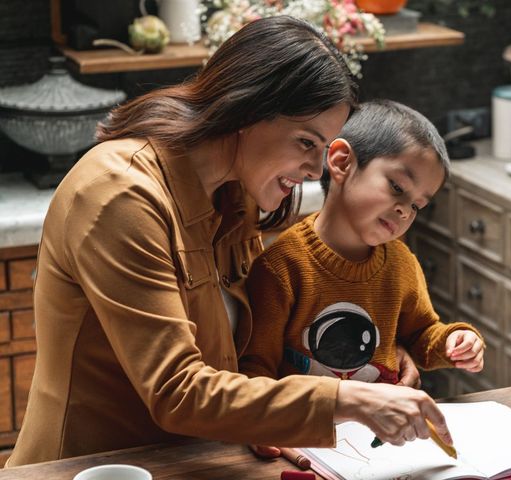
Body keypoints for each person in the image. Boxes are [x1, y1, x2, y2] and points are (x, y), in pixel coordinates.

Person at [5, 17, 454, 468]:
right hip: (96, 470)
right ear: (246, 110)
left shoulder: (233, 194)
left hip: (196, 461)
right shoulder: (118, 195)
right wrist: (349, 397)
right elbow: (178, 391)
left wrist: (377, 353)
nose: (315, 169)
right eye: (305, 142)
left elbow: (247, 348)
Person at [239, 100, 485, 454]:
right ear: (341, 163)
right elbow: (255, 369)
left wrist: (454, 340)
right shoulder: (281, 267)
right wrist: (266, 428)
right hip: (303, 443)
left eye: (417, 205)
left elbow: (421, 334)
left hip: (379, 443)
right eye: (398, 187)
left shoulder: (401, 264)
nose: (404, 210)